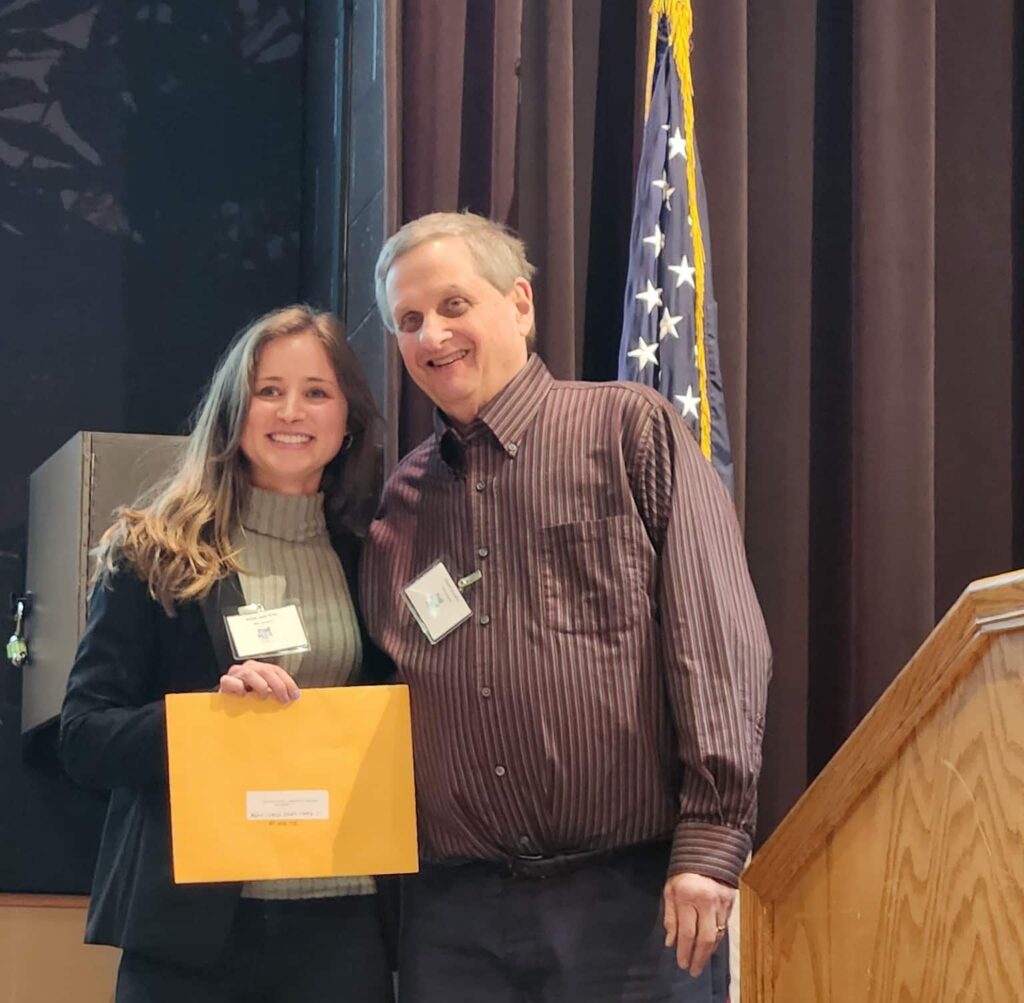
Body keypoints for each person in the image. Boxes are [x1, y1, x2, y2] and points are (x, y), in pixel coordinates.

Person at [360, 212, 772, 1003]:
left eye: (452, 305)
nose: (431, 335)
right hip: (456, 918)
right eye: (408, 320)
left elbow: (719, 639)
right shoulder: (401, 500)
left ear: (519, 303)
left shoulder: (629, 430)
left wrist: (711, 842)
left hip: (630, 903)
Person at [60, 305, 395, 1003]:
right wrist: (208, 721)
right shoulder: (156, 555)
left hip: (343, 919)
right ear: (234, 409)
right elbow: (83, 737)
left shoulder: (374, 557)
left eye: (316, 391)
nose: (290, 411)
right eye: (268, 389)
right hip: (194, 931)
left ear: (348, 418)